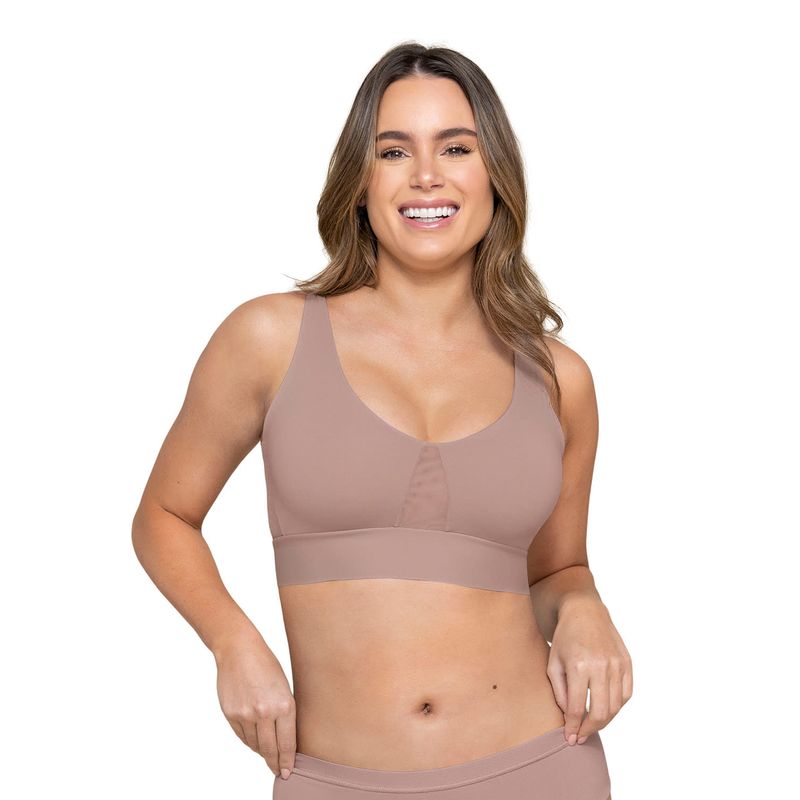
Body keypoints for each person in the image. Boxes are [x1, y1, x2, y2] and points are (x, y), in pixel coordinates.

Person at [132, 42, 632, 800]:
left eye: (456, 148)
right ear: (359, 182)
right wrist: (233, 642)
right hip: (332, 777)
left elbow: (558, 570)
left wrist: (586, 607)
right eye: (394, 150)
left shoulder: (560, 378)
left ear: (494, 174)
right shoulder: (270, 338)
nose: (426, 175)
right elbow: (164, 516)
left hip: (541, 765)